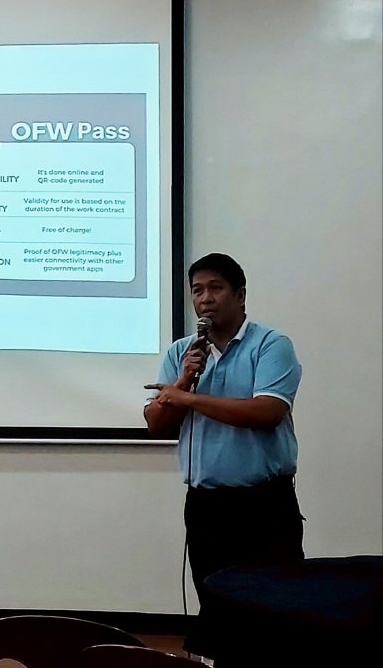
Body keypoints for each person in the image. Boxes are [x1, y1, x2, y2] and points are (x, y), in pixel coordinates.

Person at [144, 253, 304, 658]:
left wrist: (187, 398)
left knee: (275, 615)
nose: (205, 298)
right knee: (218, 614)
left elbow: (266, 412)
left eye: (215, 288)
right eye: (197, 290)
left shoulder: (271, 345)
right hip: (206, 508)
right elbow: (156, 425)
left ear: (241, 295)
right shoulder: (181, 353)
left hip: (264, 505)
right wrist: (183, 380)